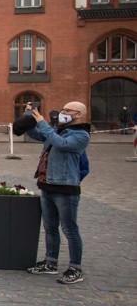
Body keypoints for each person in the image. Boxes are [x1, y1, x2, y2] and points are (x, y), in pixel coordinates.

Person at [23, 101, 91, 285]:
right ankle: (51, 262)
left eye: (68, 110)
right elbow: (37, 134)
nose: (63, 112)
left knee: (70, 229)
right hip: (47, 184)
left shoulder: (81, 135)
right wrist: (28, 118)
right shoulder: (57, 130)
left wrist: (43, 123)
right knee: (50, 227)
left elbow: (60, 144)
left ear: (79, 114)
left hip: (66, 188)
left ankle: (75, 267)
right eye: (63, 109)